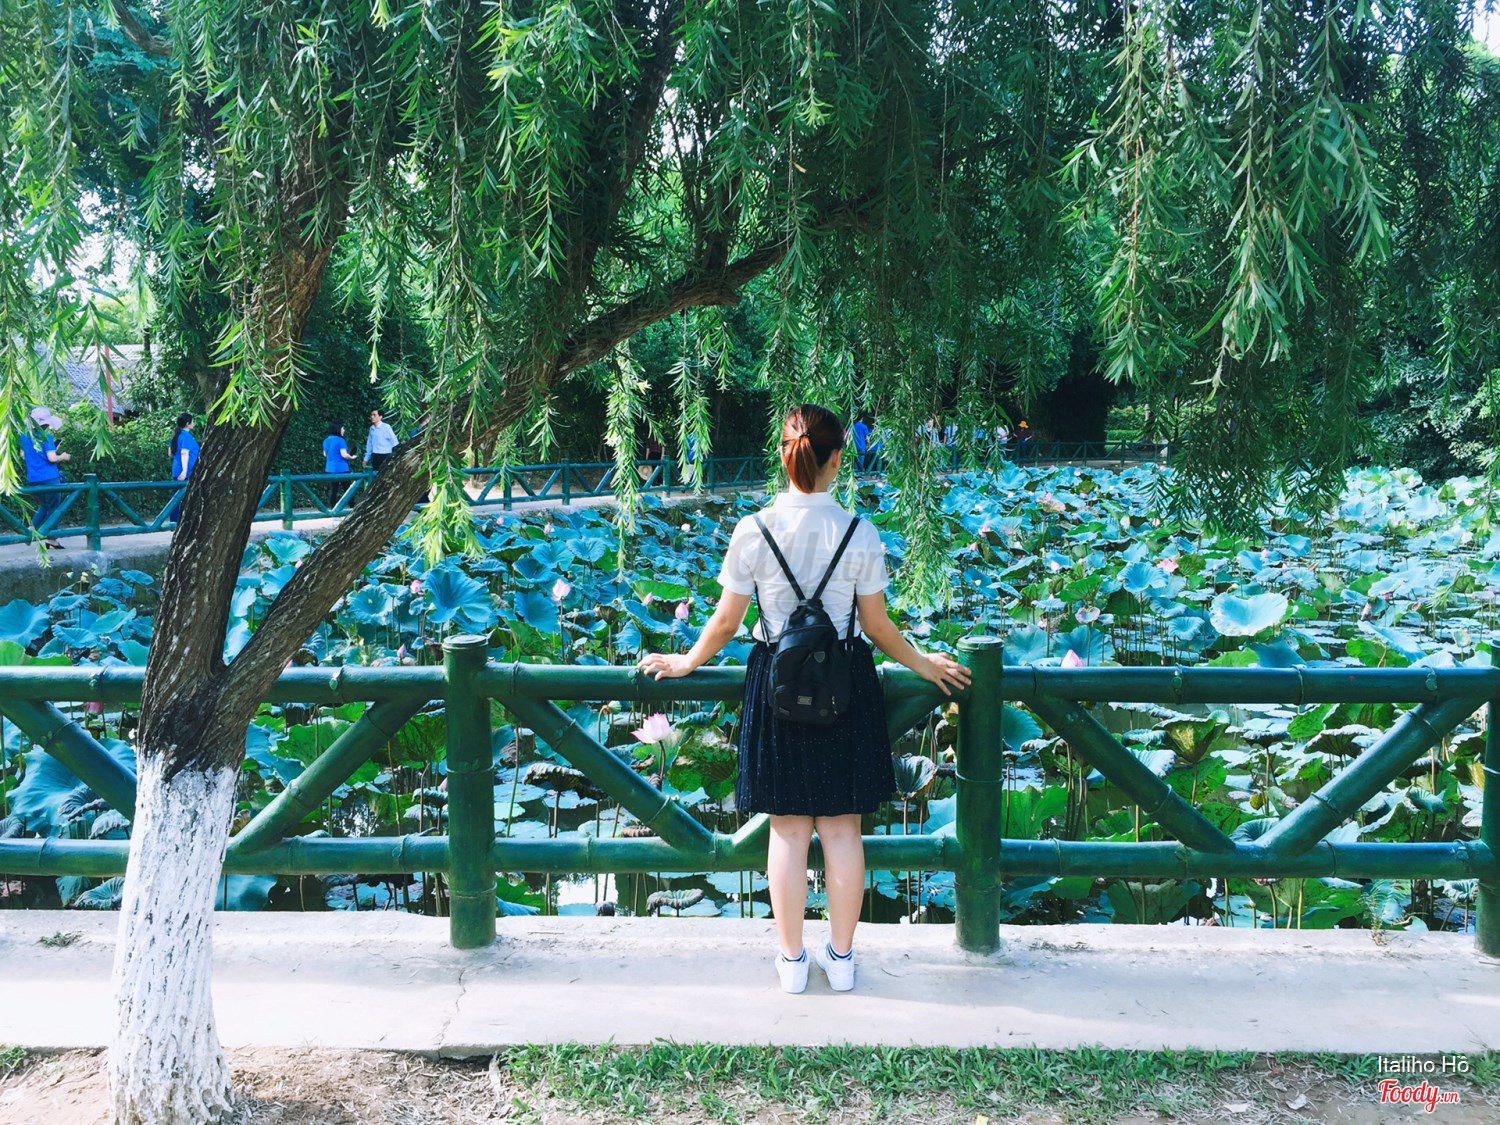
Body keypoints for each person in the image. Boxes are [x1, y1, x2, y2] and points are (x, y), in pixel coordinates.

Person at [638, 403, 971, 994]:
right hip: (845, 685)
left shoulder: (753, 530)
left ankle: (792, 964)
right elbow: (876, 626)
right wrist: (923, 663)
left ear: (784, 455)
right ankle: (840, 960)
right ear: (837, 458)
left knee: (788, 831)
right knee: (842, 832)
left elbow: (726, 622)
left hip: (778, 684)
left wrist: (686, 662)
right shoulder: (859, 532)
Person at [21, 406, 69, 549]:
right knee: (53, 508)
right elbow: (52, 458)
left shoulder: (24, 437)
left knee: (44, 505)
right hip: (50, 478)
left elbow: (23, 455)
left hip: (33, 478)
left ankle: (30, 530)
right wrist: (63, 456)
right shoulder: (46, 437)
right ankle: (51, 539)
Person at [164, 413, 199, 525]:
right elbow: (184, 453)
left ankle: (174, 522)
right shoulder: (186, 437)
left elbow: (170, 453)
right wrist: (184, 471)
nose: (194, 423)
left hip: (177, 469)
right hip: (186, 472)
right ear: (188, 424)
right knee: (183, 498)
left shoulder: (176, 436)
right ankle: (180, 522)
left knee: (176, 498)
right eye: (192, 421)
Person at [322, 421, 355, 508]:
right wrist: (351, 457)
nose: (344, 430)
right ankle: (352, 507)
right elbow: (344, 455)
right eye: (342, 428)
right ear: (338, 429)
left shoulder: (326, 440)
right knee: (348, 490)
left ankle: (332, 509)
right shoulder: (341, 440)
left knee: (333, 490)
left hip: (330, 468)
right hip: (342, 468)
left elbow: (325, 454)